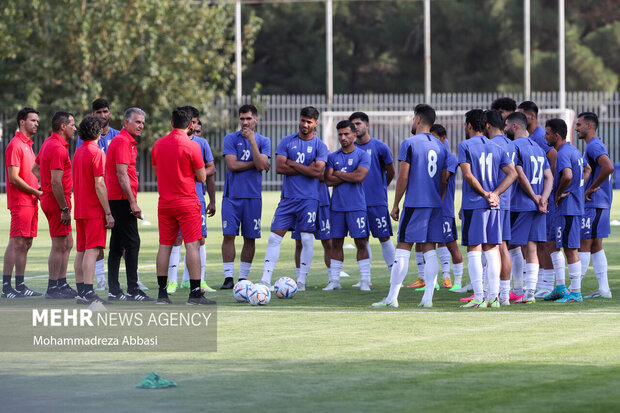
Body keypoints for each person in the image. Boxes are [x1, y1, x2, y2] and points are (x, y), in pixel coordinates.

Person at [372, 104, 448, 308]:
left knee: (403, 248)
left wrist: (396, 204)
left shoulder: (410, 143)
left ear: (418, 120)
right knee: (430, 249)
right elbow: (444, 178)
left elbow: (403, 176)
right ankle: (428, 299)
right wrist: (438, 198)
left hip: (415, 203)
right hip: (434, 204)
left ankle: (392, 298)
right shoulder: (441, 146)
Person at [259, 106, 329, 291]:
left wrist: (292, 162)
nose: (305, 124)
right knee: (274, 238)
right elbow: (280, 168)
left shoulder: (320, 146)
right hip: (288, 199)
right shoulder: (286, 141)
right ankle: (265, 279)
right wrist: (306, 167)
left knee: (306, 239)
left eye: (309, 122)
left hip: (310, 200)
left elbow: (318, 171)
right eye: (302, 120)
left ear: (316, 123)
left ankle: (302, 281)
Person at [151, 107, 213, 305]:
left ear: (171, 123)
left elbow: (156, 173)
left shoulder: (158, 145)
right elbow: (202, 177)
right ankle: (195, 294)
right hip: (187, 201)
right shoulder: (192, 146)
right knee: (193, 245)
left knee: (165, 246)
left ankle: (162, 294)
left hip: (166, 202)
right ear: (190, 125)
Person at [457, 109, 516, 308]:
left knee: (474, 249)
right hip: (493, 206)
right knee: (492, 249)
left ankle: (479, 296)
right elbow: (512, 174)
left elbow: (467, 175)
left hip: (475, 204)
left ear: (470, 125)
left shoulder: (465, 145)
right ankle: (493, 297)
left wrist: (484, 193)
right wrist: (495, 194)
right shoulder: (496, 147)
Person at [219, 104, 271, 290]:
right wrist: (257, 163)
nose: (245, 122)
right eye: (242, 119)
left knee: (250, 237)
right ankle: (228, 277)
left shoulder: (263, 141)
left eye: (249, 118)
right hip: (231, 197)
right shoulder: (230, 138)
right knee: (228, 235)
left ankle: (242, 278)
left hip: (253, 197)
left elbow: (262, 164)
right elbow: (232, 165)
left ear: (256, 120)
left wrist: (252, 142)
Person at [166, 106, 216, 293]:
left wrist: (212, 200)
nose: (193, 125)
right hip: (177, 197)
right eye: (191, 121)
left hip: (197, 198)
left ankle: (198, 281)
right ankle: (172, 281)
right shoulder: (171, 143)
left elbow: (210, 170)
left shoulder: (201, 144)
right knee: (176, 239)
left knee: (200, 239)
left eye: (196, 121)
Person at [504, 111, 553, 304]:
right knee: (531, 247)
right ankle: (529, 293)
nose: (505, 128)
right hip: (538, 206)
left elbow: (519, 174)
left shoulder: (514, 146)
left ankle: (512, 290)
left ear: (515, 126)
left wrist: (534, 197)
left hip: (520, 205)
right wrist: (544, 198)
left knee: (508, 247)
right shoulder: (538, 147)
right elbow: (549, 176)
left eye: (507, 125)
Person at [105, 107, 153, 301]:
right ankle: (133, 290)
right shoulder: (124, 141)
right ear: (126, 123)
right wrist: (133, 202)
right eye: (137, 122)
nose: (141, 125)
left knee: (117, 245)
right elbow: (121, 173)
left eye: (142, 122)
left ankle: (114, 290)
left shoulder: (126, 142)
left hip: (117, 198)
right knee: (133, 243)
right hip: (121, 199)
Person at [76, 98, 120, 291]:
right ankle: (88, 290)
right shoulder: (97, 153)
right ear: (97, 131)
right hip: (94, 209)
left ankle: (81, 290)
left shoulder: (79, 152)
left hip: (80, 208)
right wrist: (108, 213)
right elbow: (100, 185)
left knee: (82, 250)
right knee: (93, 251)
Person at [33, 111, 77, 299]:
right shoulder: (58, 148)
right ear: (63, 127)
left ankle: (61, 283)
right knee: (59, 245)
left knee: (67, 243)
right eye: (72, 124)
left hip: (55, 198)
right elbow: (57, 182)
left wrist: (46, 186)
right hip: (58, 201)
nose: (75, 128)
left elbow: (35, 169)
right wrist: (64, 208)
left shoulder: (48, 143)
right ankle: (53, 287)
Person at [323, 120, 371, 291]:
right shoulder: (332, 157)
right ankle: (334, 280)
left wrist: (339, 173)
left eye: (346, 134)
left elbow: (360, 177)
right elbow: (328, 180)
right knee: (335, 243)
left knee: (360, 242)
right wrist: (347, 174)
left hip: (356, 206)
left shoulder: (363, 155)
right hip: (336, 207)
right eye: (340, 134)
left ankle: (365, 280)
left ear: (354, 135)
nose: (342, 137)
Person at [350, 112, 395, 287]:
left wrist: (381, 186)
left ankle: (394, 275)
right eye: (353, 124)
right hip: (356, 202)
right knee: (361, 239)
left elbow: (390, 171)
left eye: (359, 123)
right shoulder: (350, 149)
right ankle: (365, 279)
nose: (356, 127)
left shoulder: (380, 147)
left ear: (367, 125)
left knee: (384, 237)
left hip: (376, 201)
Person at [2, 107, 43, 298]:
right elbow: (13, 178)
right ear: (22, 122)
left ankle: (20, 285)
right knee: (17, 241)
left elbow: (29, 173)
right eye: (33, 120)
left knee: (26, 242)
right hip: (21, 201)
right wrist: (35, 191)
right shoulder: (15, 145)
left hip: (32, 200)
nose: (36, 123)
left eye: (37, 120)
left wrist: (39, 188)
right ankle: (6, 287)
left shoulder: (28, 145)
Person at [518, 100, 557, 297]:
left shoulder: (540, 137)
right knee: (533, 242)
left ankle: (547, 283)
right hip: (540, 196)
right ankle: (538, 283)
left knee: (542, 242)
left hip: (541, 196)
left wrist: (547, 190)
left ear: (531, 116)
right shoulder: (531, 138)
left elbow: (554, 158)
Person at [543, 118, 585, 303]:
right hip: (564, 209)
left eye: (547, 133)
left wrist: (560, 193)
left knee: (570, 249)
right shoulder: (573, 150)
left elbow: (567, 175)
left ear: (556, 135)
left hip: (568, 208)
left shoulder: (563, 153)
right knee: (552, 242)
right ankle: (560, 287)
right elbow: (588, 169)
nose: (545, 136)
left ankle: (575, 292)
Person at [576, 112, 614, 299]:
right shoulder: (593, 145)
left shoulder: (594, 146)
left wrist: (591, 187)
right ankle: (604, 290)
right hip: (599, 203)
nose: (576, 128)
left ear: (589, 126)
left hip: (595, 203)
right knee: (595, 245)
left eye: (579, 124)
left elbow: (608, 167)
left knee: (584, 243)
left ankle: (574, 289)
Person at [485, 109, 516, 302]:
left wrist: (494, 193)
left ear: (487, 125)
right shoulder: (512, 145)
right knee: (503, 246)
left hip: (492, 201)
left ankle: (491, 293)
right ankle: (504, 294)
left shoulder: (490, 145)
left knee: (491, 248)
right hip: (507, 200)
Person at [430, 124, 464, 291]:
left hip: (444, 209)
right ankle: (435, 280)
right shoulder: (432, 156)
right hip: (431, 208)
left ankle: (457, 281)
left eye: (435, 138)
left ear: (443, 139)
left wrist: (439, 201)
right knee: (429, 243)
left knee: (450, 244)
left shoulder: (450, 158)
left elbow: (444, 179)